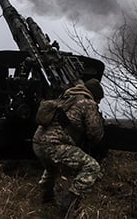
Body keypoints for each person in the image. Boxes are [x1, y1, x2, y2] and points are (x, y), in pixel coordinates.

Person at [32, 77, 105, 216]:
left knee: (51, 167)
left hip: (37, 143)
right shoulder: (87, 103)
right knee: (92, 167)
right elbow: (94, 133)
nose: (99, 102)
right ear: (94, 95)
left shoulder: (66, 97)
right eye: (99, 99)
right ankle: (69, 203)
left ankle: (46, 199)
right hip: (54, 145)